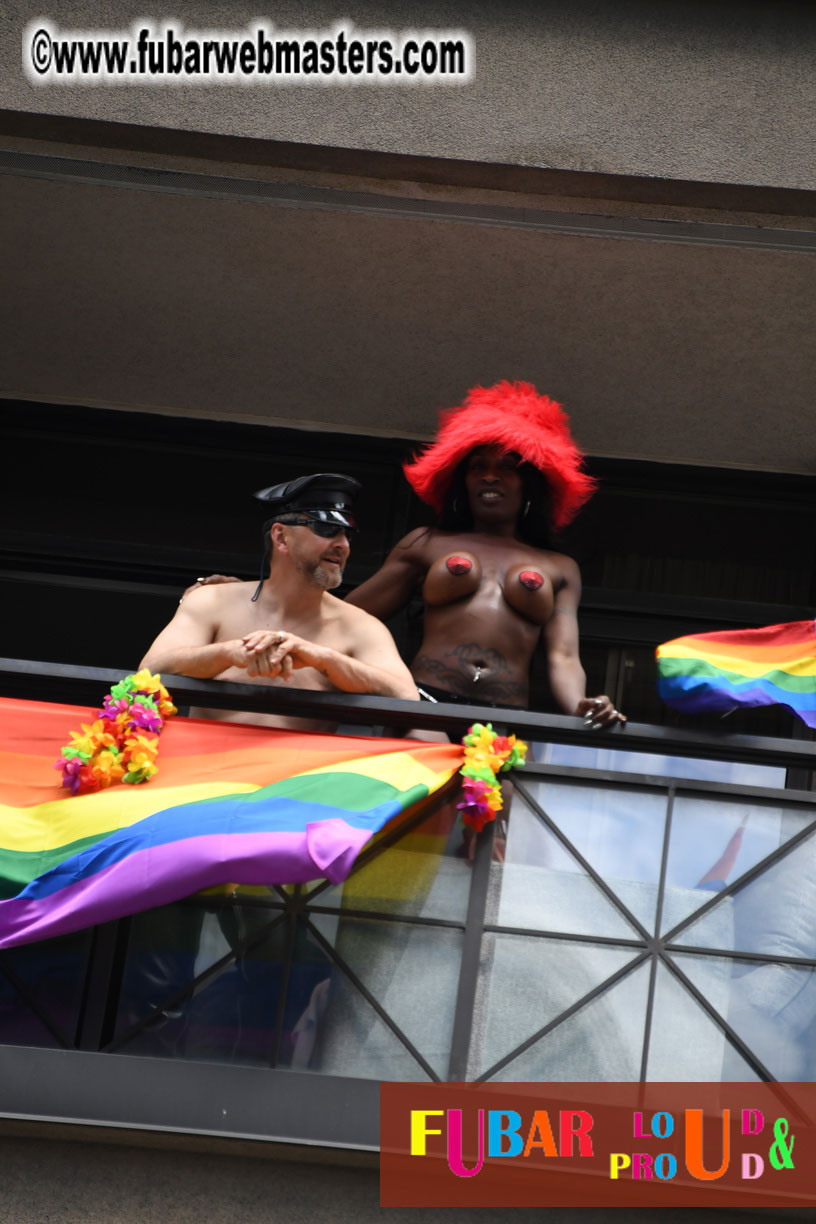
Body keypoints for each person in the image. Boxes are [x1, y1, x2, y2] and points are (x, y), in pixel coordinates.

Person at [345, 381, 624, 726]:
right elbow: (350, 618)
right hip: (425, 704)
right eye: (477, 467)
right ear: (462, 481)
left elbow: (564, 656)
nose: (490, 477)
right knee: (430, 778)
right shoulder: (426, 543)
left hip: (506, 717)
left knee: (507, 784)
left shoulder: (560, 568)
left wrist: (581, 706)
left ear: (529, 483)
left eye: (507, 467)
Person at [140, 472, 418, 729]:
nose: (343, 545)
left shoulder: (361, 626)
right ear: (281, 537)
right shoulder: (212, 601)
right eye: (326, 529)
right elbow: (149, 671)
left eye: (347, 534)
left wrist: (323, 658)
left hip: (304, 780)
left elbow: (406, 696)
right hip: (207, 776)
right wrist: (229, 654)